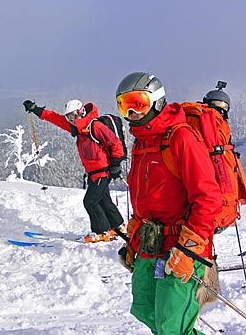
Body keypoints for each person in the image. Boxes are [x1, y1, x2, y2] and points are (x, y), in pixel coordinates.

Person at [115, 72, 221, 335]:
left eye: (138, 103)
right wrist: (134, 241)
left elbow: (208, 198)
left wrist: (189, 250)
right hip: (150, 245)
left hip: (180, 247)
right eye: (124, 105)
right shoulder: (141, 143)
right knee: (144, 309)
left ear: (157, 101)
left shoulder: (180, 138)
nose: (131, 112)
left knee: (171, 327)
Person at [23, 98, 125, 243]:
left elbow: (115, 143)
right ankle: (118, 226)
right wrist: (35, 109)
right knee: (103, 200)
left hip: (103, 171)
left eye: (73, 116)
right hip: (94, 173)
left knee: (90, 201)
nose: (71, 120)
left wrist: (115, 164)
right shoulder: (78, 128)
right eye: (69, 117)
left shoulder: (94, 126)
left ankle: (102, 231)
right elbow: (55, 118)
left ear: (81, 112)